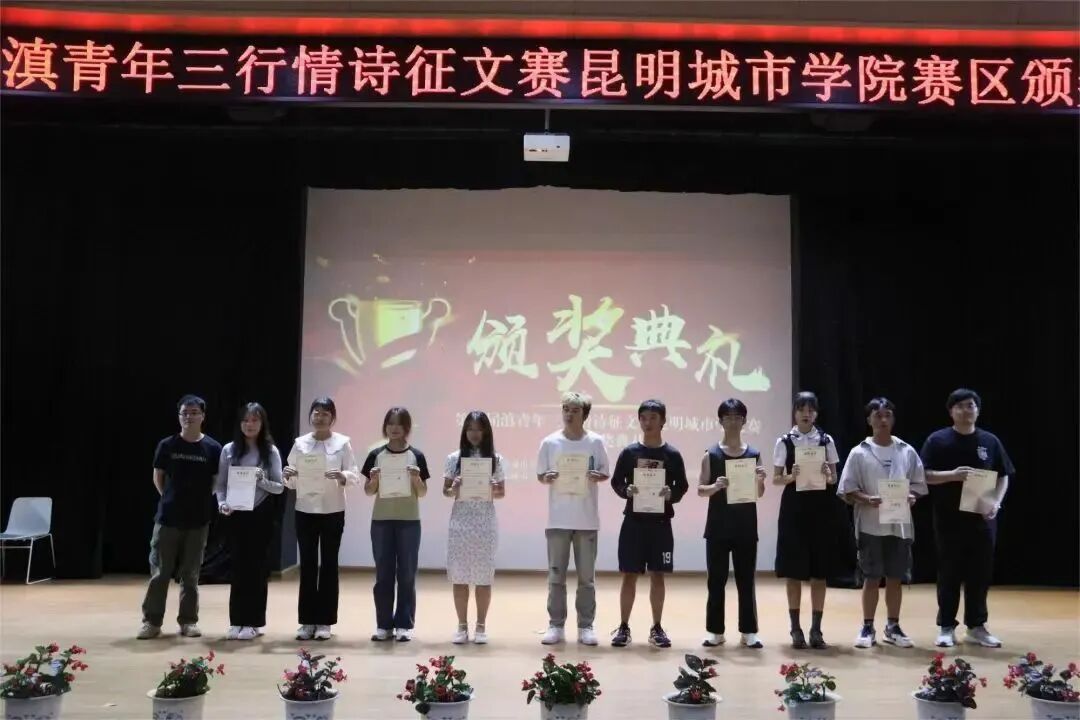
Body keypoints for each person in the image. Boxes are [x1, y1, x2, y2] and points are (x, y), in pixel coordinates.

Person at [920, 388, 1014, 648]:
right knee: (949, 573)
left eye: (970, 405)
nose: (966, 410)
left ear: (978, 410)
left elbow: (1003, 475)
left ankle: (976, 626)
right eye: (960, 406)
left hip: (982, 519)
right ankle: (946, 626)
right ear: (951, 411)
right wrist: (952, 475)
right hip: (948, 519)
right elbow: (923, 474)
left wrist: (996, 502)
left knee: (980, 574)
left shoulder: (990, 441)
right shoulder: (937, 440)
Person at [838, 397, 927, 649]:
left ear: (893, 419)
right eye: (878, 416)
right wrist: (867, 499)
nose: (883, 420)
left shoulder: (906, 450)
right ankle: (867, 626)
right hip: (870, 524)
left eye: (888, 415)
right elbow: (847, 490)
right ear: (869, 420)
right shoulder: (859, 452)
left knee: (895, 577)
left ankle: (893, 626)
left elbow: (919, 485)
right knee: (871, 577)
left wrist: (912, 496)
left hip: (899, 524)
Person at [138, 394, 223, 640]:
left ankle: (188, 621)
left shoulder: (213, 448)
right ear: (179, 416)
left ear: (203, 416)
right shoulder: (167, 445)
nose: (189, 417)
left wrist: (199, 500)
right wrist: (170, 498)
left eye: (194, 412)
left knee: (191, 574)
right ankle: (152, 622)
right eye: (184, 413)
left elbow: (216, 481)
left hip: (198, 521)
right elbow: (158, 477)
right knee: (160, 573)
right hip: (167, 519)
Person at [608, 399, 689, 649]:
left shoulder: (672, 454)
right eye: (644, 417)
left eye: (653, 417)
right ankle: (623, 626)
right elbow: (616, 482)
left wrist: (671, 494)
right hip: (633, 523)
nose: (648, 422)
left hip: (661, 524)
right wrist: (626, 490)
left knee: (658, 575)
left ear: (663, 421)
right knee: (629, 575)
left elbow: (682, 486)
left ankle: (657, 627)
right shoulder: (630, 453)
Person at [282, 397, 360, 641]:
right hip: (305, 510)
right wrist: (288, 474)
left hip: (333, 510)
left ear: (332, 418)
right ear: (311, 416)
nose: (320, 417)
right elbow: (290, 479)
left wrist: (342, 475)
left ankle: (325, 621)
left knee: (329, 565)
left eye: (325, 413)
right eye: (316, 412)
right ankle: (307, 621)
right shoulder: (300, 443)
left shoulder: (343, 443)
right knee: (307, 565)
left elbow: (354, 474)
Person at [536, 391, 610, 646]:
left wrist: (597, 476)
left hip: (586, 520)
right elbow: (541, 475)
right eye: (566, 409)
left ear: (584, 414)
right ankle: (555, 625)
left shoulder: (595, 442)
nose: (569, 414)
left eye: (575, 410)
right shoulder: (550, 442)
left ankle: (586, 626)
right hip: (558, 519)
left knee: (586, 579)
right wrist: (547, 477)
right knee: (556, 577)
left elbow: (604, 472)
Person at [773, 391, 840, 649]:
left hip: (821, 509)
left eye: (811, 410)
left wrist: (827, 475)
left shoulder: (826, 440)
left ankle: (816, 629)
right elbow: (776, 478)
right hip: (794, 510)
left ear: (816, 414)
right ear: (794, 412)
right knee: (793, 572)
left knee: (819, 572)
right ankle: (795, 628)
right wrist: (791, 476)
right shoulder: (784, 441)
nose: (806, 414)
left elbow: (834, 478)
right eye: (801, 409)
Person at [699, 398, 767, 649]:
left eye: (737, 417)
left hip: (745, 527)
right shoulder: (711, 454)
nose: (733, 421)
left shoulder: (753, 455)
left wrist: (760, 480)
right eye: (728, 417)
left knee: (746, 580)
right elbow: (701, 489)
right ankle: (715, 631)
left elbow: (759, 493)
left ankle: (749, 631)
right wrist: (715, 486)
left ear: (744, 421)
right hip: (717, 527)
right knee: (716, 581)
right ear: (720, 421)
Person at [215, 402, 284, 641]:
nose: (250, 424)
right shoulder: (229, 450)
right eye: (245, 420)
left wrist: (261, 480)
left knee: (256, 569)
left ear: (262, 423)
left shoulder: (270, 451)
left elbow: (279, 487)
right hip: (236, 514)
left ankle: (253, 622)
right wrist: (222, 504)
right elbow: (220, 485)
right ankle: (236, 620)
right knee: (237, 568)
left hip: (260, 515)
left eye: (255, 420)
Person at [362, 406, 430, 642]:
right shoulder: (376, 455)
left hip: (409, 521)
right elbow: (368, 491)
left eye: (399, 424)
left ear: (407, 428)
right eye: (390, 423)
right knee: (383, 574)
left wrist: (416, 478)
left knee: (407, 574)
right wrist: (373, 480)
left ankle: (404, 624)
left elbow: (423, 492)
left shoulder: (417, 456)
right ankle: (383, 624)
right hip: (381, 521)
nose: (394, 428)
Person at [443, 411, 505, 645]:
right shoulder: (454, 458)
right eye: (470, 429)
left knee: (483, 577)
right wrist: (454, 487)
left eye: (479, 429)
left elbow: (501, 493)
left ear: (486, 432)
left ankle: (481, 626)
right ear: (464, 431)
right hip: (460, 523)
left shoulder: (495, 460)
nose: (474, 433)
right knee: (459, 576)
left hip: (484, 523)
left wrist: (494, 487)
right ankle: (461, 626)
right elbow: (446, 491)